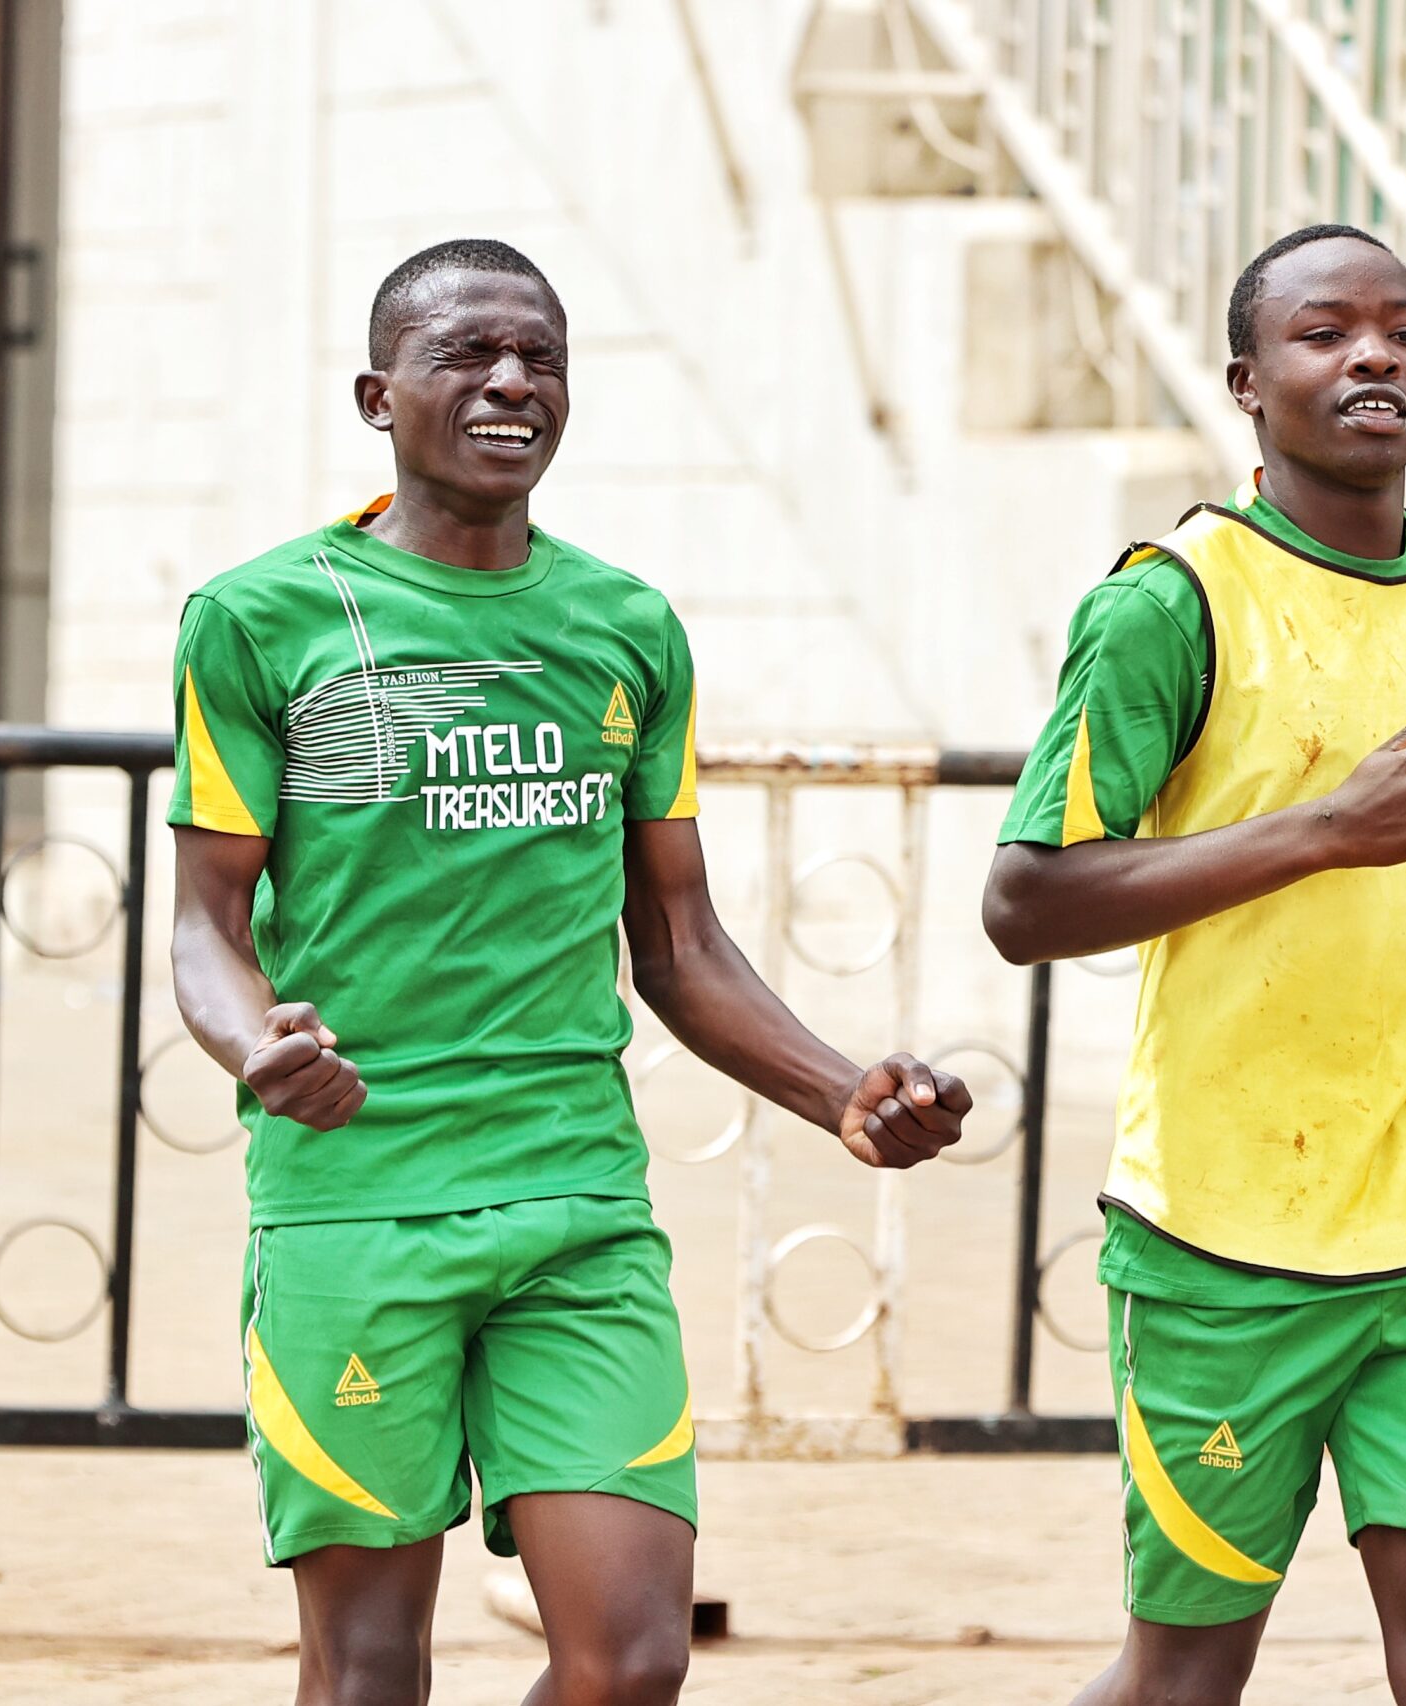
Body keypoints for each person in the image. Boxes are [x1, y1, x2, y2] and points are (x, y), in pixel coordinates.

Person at [168, 237, 973, 1706]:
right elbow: (203, 922)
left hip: (575, 1204)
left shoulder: (625, 626)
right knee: (365, 1669)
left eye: (540, 356)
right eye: (467, 354)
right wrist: (250, 1045)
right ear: (376, 393)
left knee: (634, 1659)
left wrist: (842, 1089)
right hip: (356, 1201)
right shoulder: (260, 619)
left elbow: (678, 942)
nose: (510, 381)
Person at [982, 223, 1406, 1706]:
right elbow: (1024, 900)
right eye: (1327, 334)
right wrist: (1319, 832)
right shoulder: (1168, 605)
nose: (1374, 355)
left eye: (1405, 330)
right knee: (1185, 1677)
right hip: (1222, 1241)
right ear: (1249, 383)